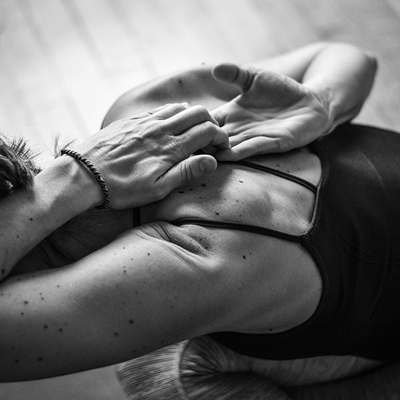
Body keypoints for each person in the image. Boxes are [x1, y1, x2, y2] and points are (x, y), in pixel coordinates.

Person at [0, 41, 398, 398]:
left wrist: (73, 183)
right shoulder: (144, 114)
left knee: (168, 377)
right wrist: (323, 103)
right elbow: (351, 56)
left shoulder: (180, 259)